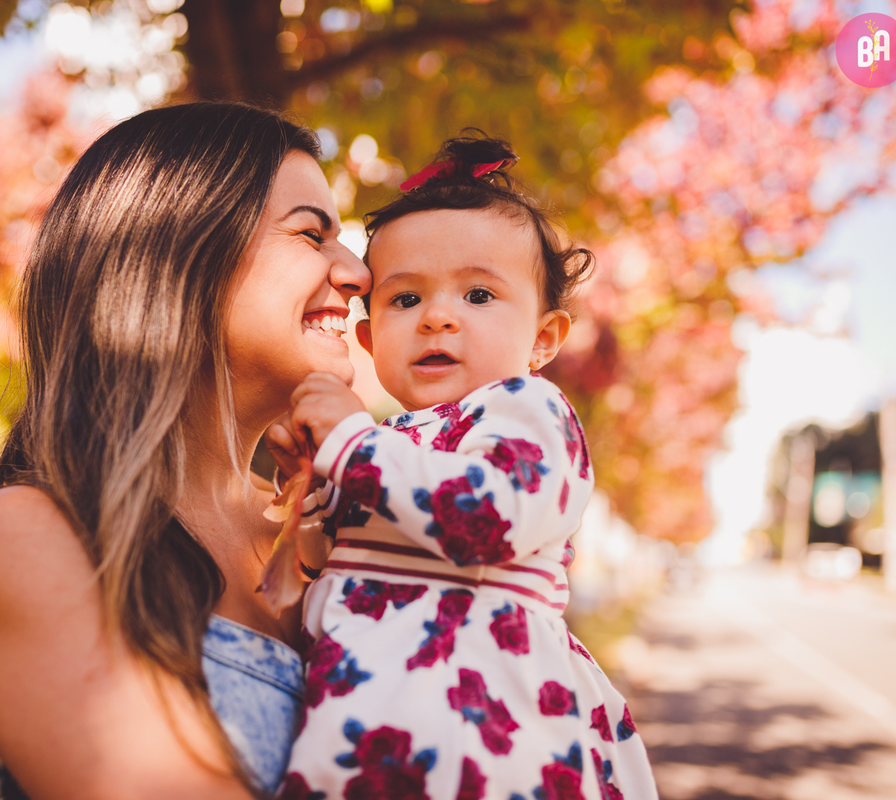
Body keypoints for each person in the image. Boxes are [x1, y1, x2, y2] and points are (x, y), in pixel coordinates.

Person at [0, 102, 371, 800]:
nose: (357, 273)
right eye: (312, 235)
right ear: (179, 256)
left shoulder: (327, 531)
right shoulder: (32, 538)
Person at [266, 135, 658, 800]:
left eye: (478, 295)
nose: (439, 318)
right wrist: (310, 484)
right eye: (405, 300)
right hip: (365, 731)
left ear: (543, 339)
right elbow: (316, 563)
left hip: (485, 725)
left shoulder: (528, 411)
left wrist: (351, 447)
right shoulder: (389, 438)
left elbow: (485, 517)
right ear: (369, 339)